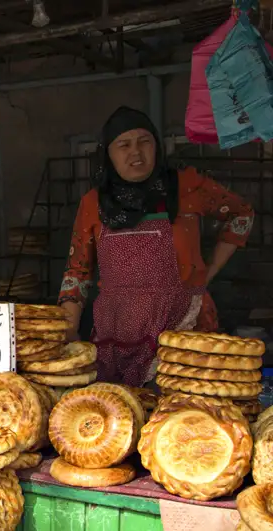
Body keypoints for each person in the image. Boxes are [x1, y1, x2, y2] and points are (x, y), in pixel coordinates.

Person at [59, 106, 254, 387]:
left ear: (157, 146)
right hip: (116, 336)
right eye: (123, 145)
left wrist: (207, 273)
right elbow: (78, 271)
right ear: (108, 154)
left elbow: (242, 213)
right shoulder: (94, 203)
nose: (135, 153)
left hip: (183, 332)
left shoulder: (186, 186)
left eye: (144, 142)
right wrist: (69, 331)